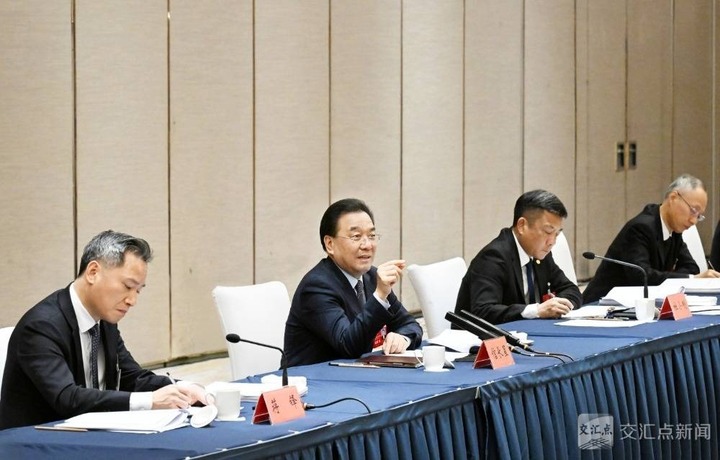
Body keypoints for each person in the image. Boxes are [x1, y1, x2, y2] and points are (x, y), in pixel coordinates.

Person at [0, 230, 206, 429]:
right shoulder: (42, 326)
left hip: (89, 435)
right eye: (128, 286)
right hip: (36, 440)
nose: (132, 300)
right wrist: (151, 400)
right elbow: (67, 398)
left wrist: (182, 387)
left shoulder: (104, 320)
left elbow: (132, 378)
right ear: (93, 272)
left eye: (138, 291)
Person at [284, 198, 422, 367]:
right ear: (330, 244)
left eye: (371, 236)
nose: (367, 245)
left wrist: (403, 338)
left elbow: (410, 324)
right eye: (356, 236)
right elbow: (348, 346)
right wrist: (379, 296)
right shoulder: (316, 287)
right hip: (312, 380)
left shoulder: (371, 277)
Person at [583, 174, 720, 304]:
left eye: (699, 216)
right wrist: (688, 279)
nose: (694, 221)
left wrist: (679, 277)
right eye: (693, 211)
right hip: (601, 306)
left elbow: (691, 268)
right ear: (673, 198)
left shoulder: (674, 229)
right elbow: (642, 277)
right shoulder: (640, 228)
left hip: (639, 306)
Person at [454, 189, 582, 324]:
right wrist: (536, 310)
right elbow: (483, 311)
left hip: (526, 331)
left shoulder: (540, 254)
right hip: (480, 336)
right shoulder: (493, 257)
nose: (552, 242)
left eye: (557, 234)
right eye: (548, 231)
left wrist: (558, 304)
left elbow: (571, 290)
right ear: (522, 226)